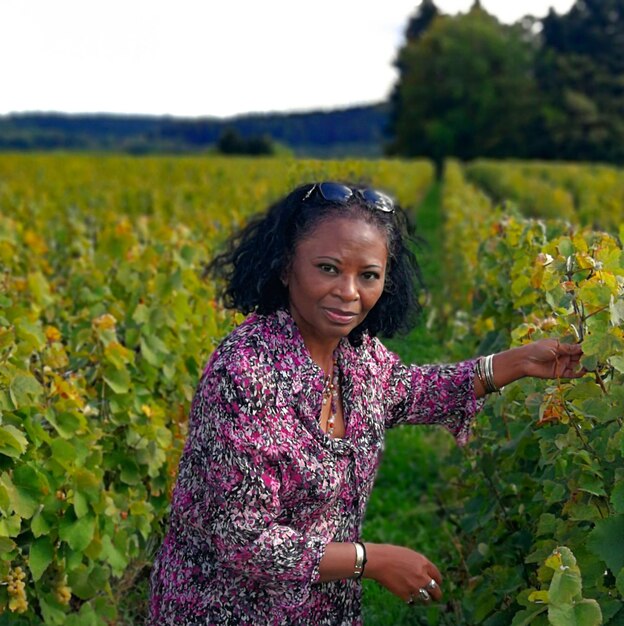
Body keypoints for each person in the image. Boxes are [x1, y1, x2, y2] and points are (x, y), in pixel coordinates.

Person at [149, 182, 583, 625]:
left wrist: (516, 362)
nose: (349, 292)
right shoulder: (244, 373)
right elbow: (243, 538)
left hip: (318, 609)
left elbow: (407, 389)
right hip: (223, 608)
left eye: (368, 275)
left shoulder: (353, 352)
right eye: (328, 268)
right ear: (285, 267)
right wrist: (369, 559)